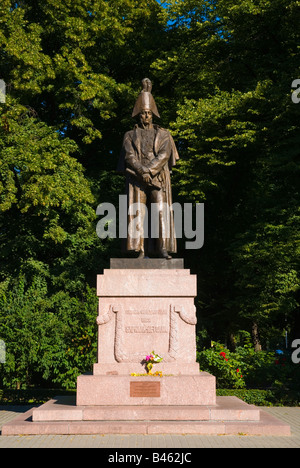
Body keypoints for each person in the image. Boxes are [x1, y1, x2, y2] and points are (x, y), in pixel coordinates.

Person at [118, 78, 179, 259]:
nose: (146, 116)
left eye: (148, 113)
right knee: (138, 213)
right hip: (137, 179)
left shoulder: (164, 134)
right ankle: (140, 250)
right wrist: (141, 172)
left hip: (157, 178)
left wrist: (149, 172)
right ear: (139, 115)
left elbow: (163, 156)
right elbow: (129, 156)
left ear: (153, 114)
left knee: (161, 211)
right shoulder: (129, 135)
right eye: (143, 113)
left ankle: (162, 248)